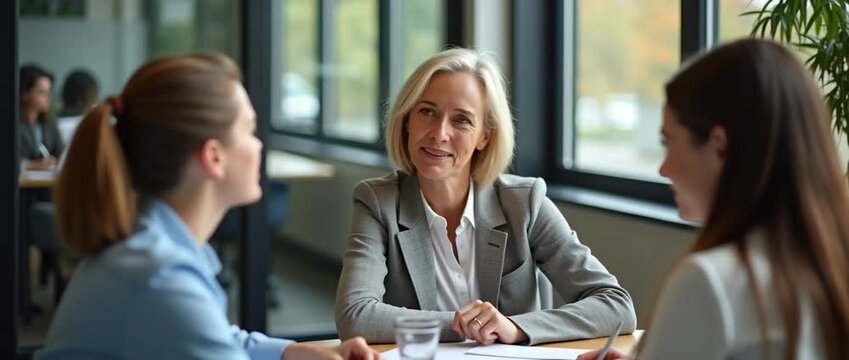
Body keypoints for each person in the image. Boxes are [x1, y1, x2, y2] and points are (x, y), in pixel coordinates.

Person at [37, 53, 380, 360]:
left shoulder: (157, 245)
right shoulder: (161, 278)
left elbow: (219, 339)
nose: (259, 146)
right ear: (214, 156)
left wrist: (298, 352)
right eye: (249, 130)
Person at [335, 48, 636, 345]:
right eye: (427, 112)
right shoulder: (378, 202)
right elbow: (355, 315)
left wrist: (514, 327)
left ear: (484, 136)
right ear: (407, 121)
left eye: (462, 120)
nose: (439, 133)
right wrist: (462, 324)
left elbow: (616, 306)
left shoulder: (524, 203)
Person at [579, 39, 849, 360]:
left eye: (669, 143)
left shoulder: (709, 281)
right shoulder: (830, 265)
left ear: (719, 145)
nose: (664, 169)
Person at [19, 64, 63, 171]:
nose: (48, 98)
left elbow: (60, 153)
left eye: (49, 92)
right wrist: (31, 165)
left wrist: (54, 160)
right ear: (25, 93)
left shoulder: (50, 122)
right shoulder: (10, 123)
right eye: (42, 92)